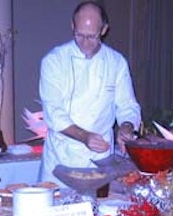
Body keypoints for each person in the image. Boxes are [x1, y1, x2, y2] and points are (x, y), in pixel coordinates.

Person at [38, 1, 141, 184]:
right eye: (80, 35)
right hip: (62, 156)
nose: (85, 42)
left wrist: (126, 127)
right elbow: (53, 113)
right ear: (72, 26)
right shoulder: (54, 61)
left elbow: (128, 106)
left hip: (101, 157)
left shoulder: (116, 62)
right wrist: (84, 136)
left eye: (92, 36)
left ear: (104, 30)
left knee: (101, 210)